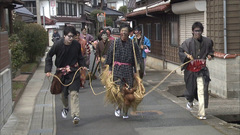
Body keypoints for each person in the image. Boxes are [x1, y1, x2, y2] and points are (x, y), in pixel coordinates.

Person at [45, 26, 87, 125]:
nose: (71, 39)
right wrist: (48, 70)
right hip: (61, 73)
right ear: (64, 36)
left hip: (73, 71)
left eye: (73, 36)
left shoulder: (76, 45)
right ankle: (65, 107)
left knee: (74, 94)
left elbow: (80, 57)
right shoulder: (58, 44)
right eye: (69, 36)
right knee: (63, 94)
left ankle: (75, 115)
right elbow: (49, 56)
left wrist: (83, 66)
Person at [179, 22, 214, 120]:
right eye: (195, 31)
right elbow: (181, 51)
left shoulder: (207, 41)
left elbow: (211, 50)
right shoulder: (187, 42)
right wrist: (186, 56)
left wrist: (210, 55)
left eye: (199, 31)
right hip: (190, 71)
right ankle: (190, 101)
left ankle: (202, 113)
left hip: (202, 71)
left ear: (202, 31)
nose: (197, 33)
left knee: (202, 91)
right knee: (190, 91)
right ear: (192, 31)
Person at [105, 24, 141, 119]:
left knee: (128, 91)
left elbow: (138, 58)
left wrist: (136, 71)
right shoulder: (115, 42)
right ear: (120, 32)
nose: (124, 33)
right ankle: (118, 107)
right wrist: (109, 69)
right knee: (118, 90)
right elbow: (109, 56)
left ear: (129, 33)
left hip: (128, 70)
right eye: (122, 31)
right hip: (117, 69)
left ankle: (125, 111)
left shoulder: (133, 44)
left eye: (126, 31)